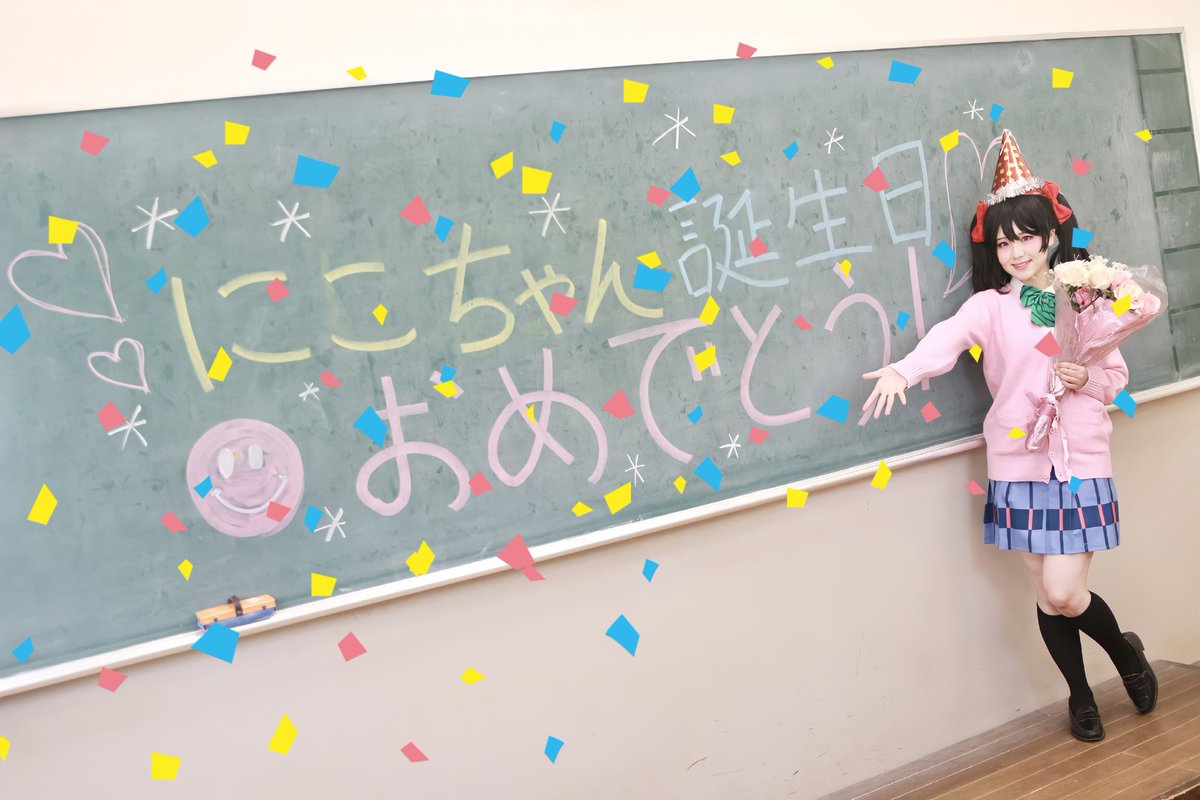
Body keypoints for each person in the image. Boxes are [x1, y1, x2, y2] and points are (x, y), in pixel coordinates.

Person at [860, 130, 1157, 743]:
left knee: (1064, 589)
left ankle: (1126, 654)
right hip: (1016, 462)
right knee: (1046, 597)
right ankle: (1081, 696)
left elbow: (1115, 377)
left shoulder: (1086, 297)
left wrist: (1087, 377)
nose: (1017, 251)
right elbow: (943, 342)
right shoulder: (989, 307)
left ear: (1050, 235)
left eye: (1026, 237)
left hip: (1078, 460)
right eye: (1004, 241)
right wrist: (902, 371)